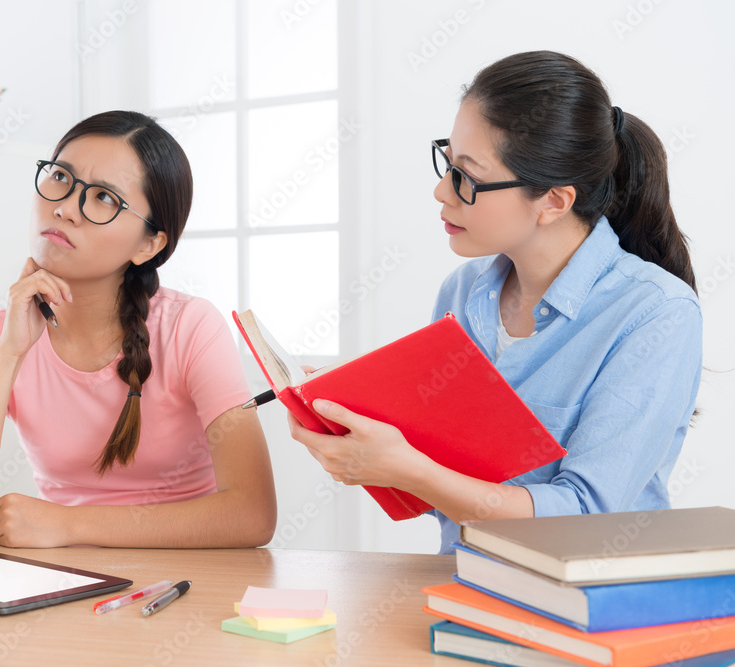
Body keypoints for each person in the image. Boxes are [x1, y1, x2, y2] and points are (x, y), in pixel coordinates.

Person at [288, 51, 702, 554]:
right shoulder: (462, 293)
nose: (442, 191)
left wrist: (405, 466)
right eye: (447, 162)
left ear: (553, 201)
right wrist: (353, 426)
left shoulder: (655, 313)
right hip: (465, 586)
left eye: (467, 176)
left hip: (588, 608)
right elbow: (441, 485)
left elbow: (584, 518)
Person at [0, 110, 277, 548]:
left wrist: (70, 524)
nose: (66, 208)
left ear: (149, 244)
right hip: (63, 584)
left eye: (105, 198)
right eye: (60, 178)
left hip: (186, 581)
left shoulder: (191, 327)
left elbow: (253, 515)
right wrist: (8, 355)